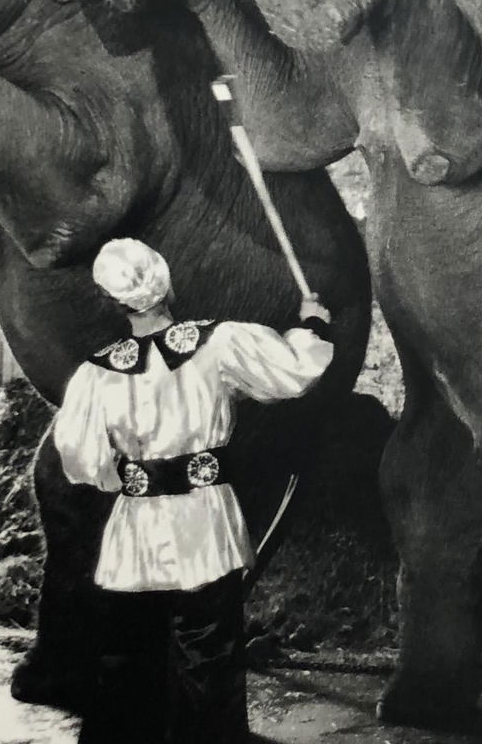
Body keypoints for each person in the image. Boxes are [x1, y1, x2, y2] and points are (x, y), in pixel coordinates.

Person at [51, 237, 334, 744]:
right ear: (168, 282)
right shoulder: (219, 343)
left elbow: (79, 457)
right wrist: (312, 323)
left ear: (111, 301)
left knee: (129, 658)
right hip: (204, 522)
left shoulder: (96, 374)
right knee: (209, 655)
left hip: (135, 530)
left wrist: (126, 479)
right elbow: (293, 371)